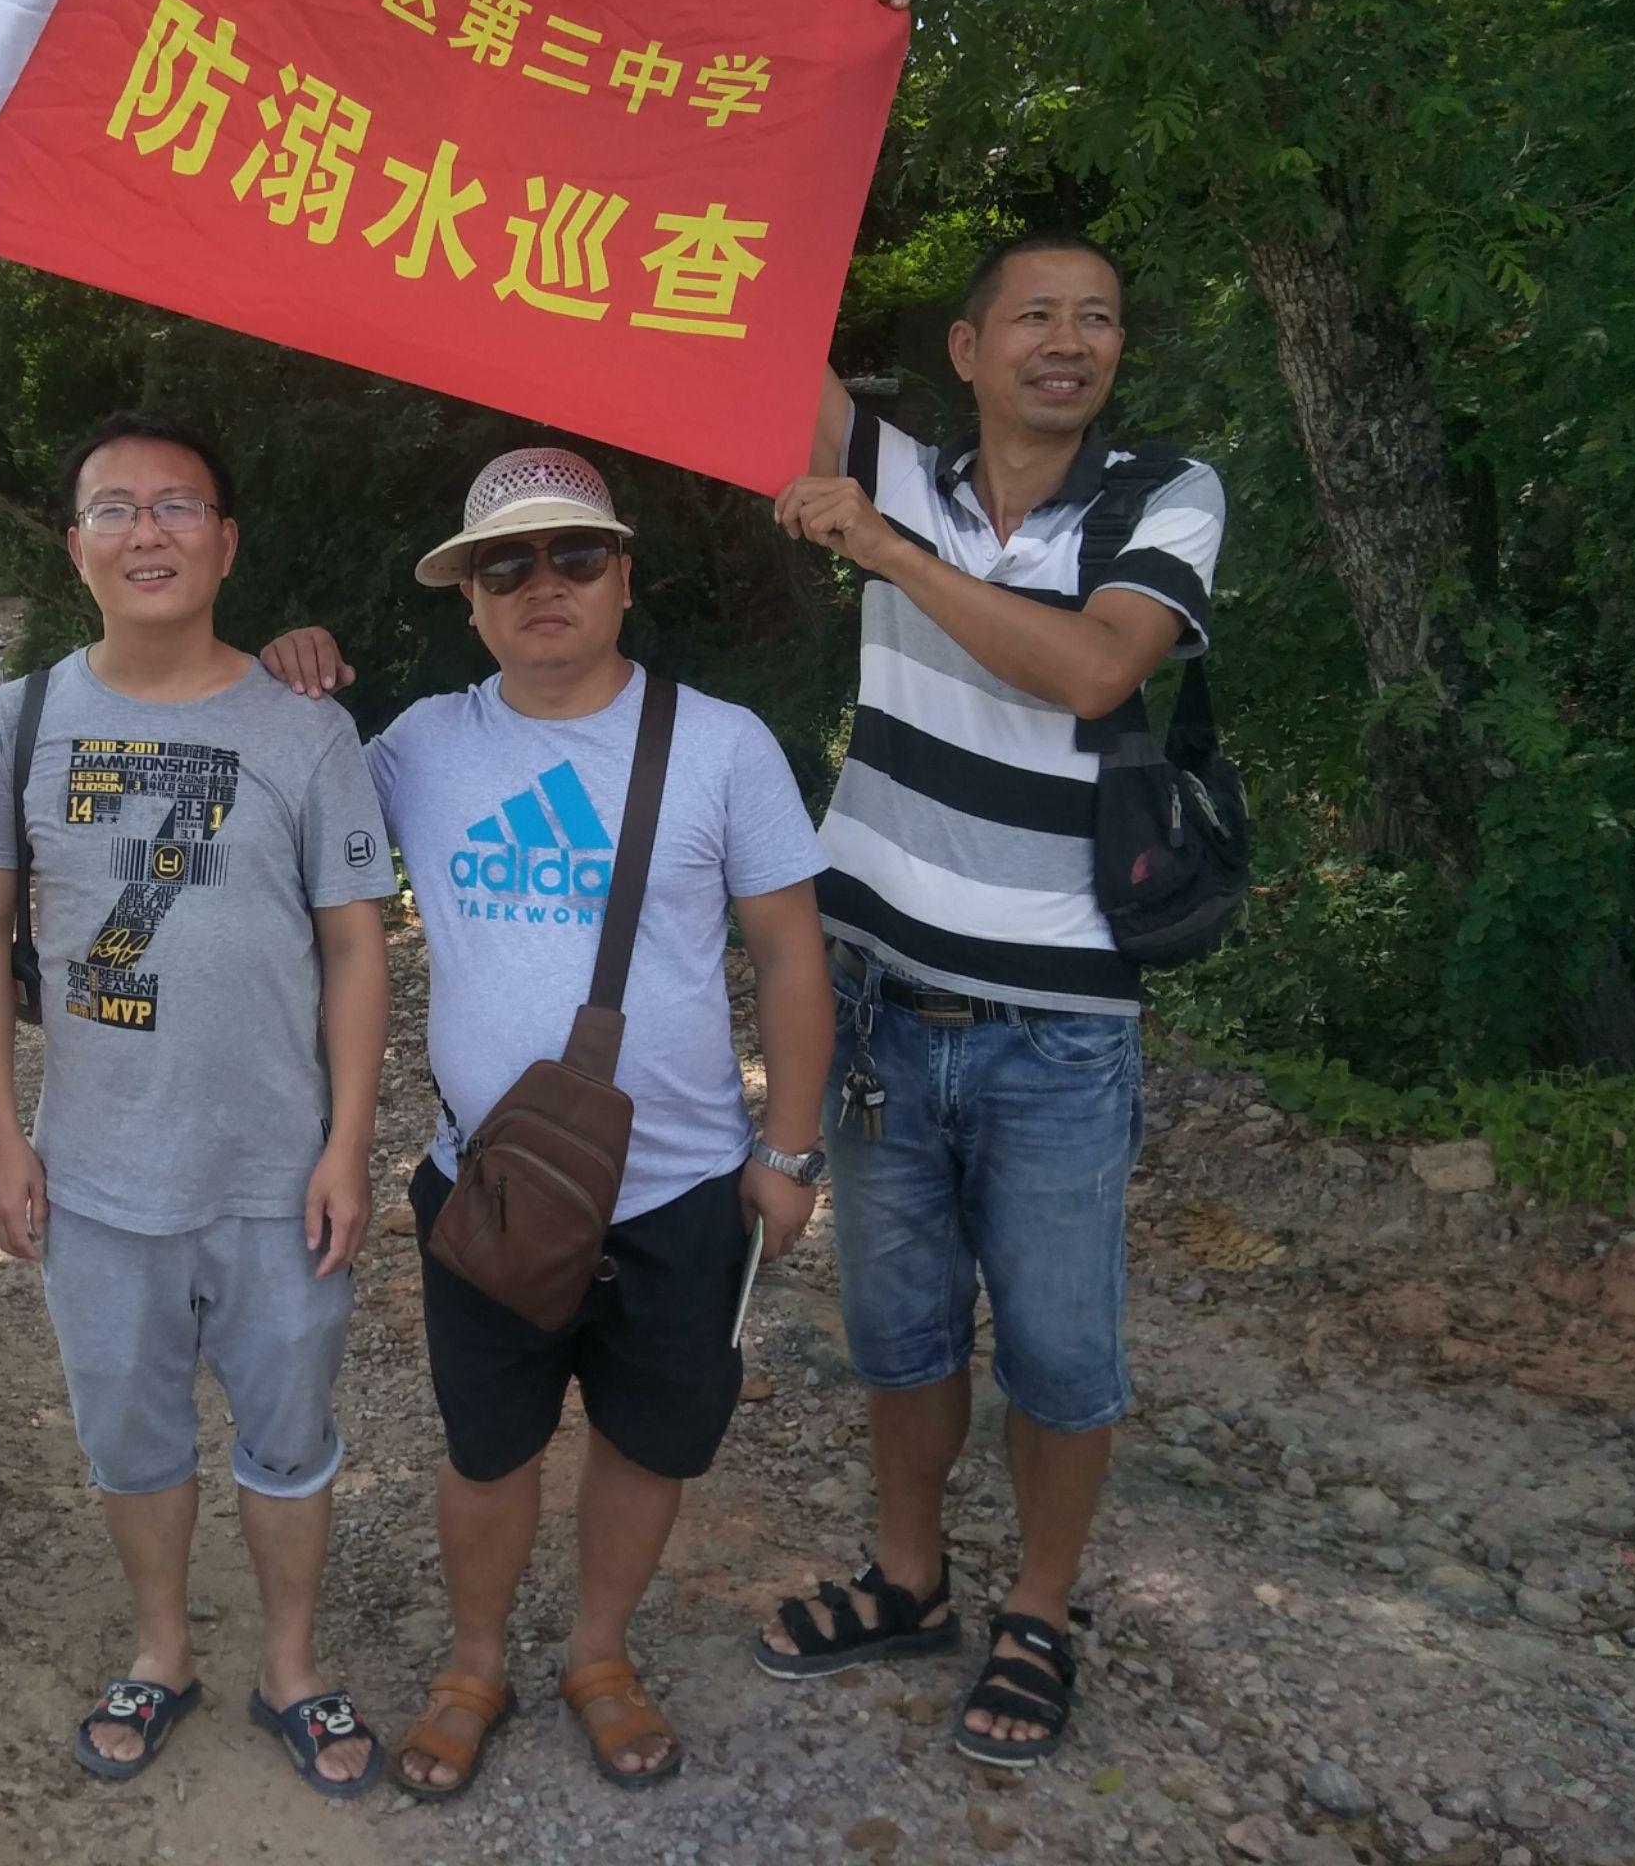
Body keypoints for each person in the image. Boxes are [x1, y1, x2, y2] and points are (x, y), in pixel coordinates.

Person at [260, 447, 836, 1798]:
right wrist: (285, 678)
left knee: (650, 1437)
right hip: (491, 1184)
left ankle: (597, 1652)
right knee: (487, 1443)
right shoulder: (417, 749)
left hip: (686, 1184)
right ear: (467, 598)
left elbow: (791, 956)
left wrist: (790, 1150)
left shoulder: (722, 743)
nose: (543, 586)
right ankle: (472, 1664)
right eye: (504, 565)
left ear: (624, 576)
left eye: (575, 556)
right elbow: (297, 839)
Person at [756, 232, 1229, 1769]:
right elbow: (735, 336)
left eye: (1097, 317)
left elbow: (1096, 671)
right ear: (967, 349)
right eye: (1035, 315)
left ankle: (1038, 1608)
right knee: (897, 1333)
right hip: (880, 992)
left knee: (1059, 1352)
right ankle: (910, 1580)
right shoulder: (899, 464)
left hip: (1059, 1025)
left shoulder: (1163, 494)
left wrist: (892, 555)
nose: (1068, 340)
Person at [0, 411, 397, 1796]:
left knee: (292, 1438)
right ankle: (160, 1649)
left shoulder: (306, 726)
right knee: (130, 1441)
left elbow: (357, 941)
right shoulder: (20, 721)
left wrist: (350, 1143)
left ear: (228, 541)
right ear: (74, 546)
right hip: (97, 1177)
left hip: (277, 1171)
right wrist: (1, 1141)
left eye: (180, 506)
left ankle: (294, 1669)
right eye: (116, 508)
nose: (149, 531)